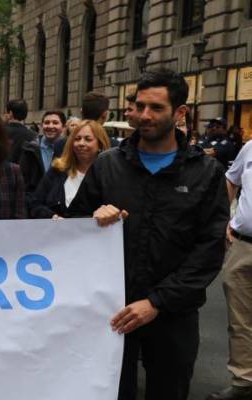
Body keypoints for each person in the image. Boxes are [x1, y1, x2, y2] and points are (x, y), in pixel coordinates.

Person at [68, 68, 229, 400]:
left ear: (180, 112)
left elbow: (209, 249)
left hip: (174, 316)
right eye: (139, 106)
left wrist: (157, 302)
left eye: (156, 108)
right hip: (110, 312)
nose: (144, 115)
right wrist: (91, 218)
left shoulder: (205, 172)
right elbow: (73, 234)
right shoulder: (107, 165)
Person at [209, 138, 252, 400]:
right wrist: (224, 218)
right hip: (242, 246)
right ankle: (244, 381)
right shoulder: (250, 147)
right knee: (240, 320)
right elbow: (231, 180)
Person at [28, 120, 110, 218]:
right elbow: (34, 204)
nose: (81, 143)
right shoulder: (58, 170)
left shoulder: (109, 175)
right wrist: (52, 216)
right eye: (77, 139)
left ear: (100, 145)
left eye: (88, 139)